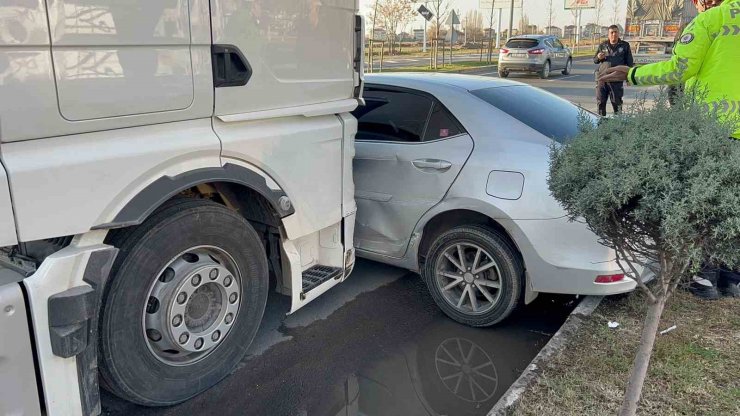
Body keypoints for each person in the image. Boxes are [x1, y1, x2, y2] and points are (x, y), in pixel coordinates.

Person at [600, 0, 740, 298]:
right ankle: (733, 276)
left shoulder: (712, 20)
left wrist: (633, 74)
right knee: (734, 204)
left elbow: (680, 68)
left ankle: (707, 278)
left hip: (714, 130)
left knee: (705, 204)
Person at [593, 25, 634, 116]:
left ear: (618, 33)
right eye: (612, 32)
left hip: (616, 79)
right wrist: (599, 57)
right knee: (600, 104)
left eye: (616, 32)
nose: (614, 34)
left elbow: (630, 63)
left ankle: (617, 125)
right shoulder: (603, 45)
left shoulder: (625, 46)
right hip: (602, 79)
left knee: (617, 104)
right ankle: (601, 125)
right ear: (608, 34)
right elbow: (595, 60)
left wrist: (628, 78)